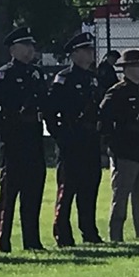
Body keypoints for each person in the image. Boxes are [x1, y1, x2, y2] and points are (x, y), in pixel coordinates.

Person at [0, 26, 47, 253]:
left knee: (33, 190)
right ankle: (4, 241)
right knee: (10, 192)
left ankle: (32, 240)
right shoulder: (5, 74)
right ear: (13, 49)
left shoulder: (36, 73)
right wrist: (6, 125)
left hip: (34, 137)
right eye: (25, 46)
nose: (30, 50)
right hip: (13, 140)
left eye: (32, 45)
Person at [45, 32, 105, 247]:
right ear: (75, 54)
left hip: (90, 140)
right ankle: (63, 234)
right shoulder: (64, 79)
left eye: (91, 50)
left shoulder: (93, 79)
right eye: (86, 50)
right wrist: (60, 135)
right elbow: (50, 111)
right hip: (71, 141)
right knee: (67, 189)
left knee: (90, 188)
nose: (91, 54)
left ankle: (89, 232)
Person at [99, 49, 139, 242]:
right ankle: (116, 235)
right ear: (127, 69)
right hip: (124, 151)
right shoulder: (117, 92)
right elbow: (104, 120)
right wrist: (112, 145)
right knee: (121, 196)